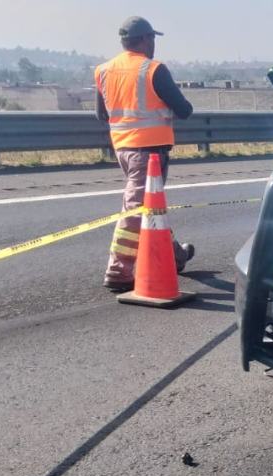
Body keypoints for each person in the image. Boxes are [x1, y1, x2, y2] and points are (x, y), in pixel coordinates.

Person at [94, 16, 195, 292]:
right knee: (136, 209)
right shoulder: (154, 70)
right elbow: (184, 110)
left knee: (151, 203)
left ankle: (174, 256)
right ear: (145, 39)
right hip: (149, 151)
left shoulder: (103, 70)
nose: (154, 44)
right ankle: (118, 269)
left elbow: (101, 114)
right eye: (152, 39)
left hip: (122, 148)